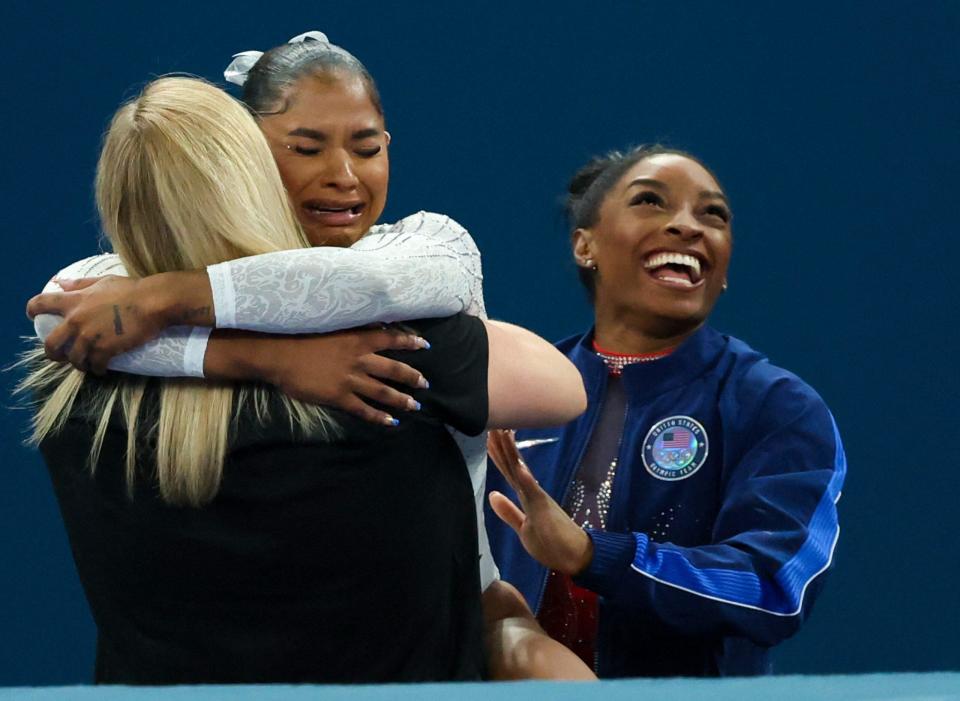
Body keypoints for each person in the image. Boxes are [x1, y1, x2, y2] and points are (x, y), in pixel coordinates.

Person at [26, 33, 595, 679]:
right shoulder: (385, 351)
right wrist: (270, 359)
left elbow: (54, 315)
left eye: (368, 145)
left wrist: (177, 305)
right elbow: (562, 387)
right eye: (305, 147)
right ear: (248, 165)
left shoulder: (84, 354)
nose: (343, 173)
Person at [484, 146, 847, 678]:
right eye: (650, 202)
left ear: (723, 267)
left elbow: (776, 585)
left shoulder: (777, 407)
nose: (687, 226)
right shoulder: (512, 392)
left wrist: (595, 555)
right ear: (585, 245)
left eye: (713, 215)